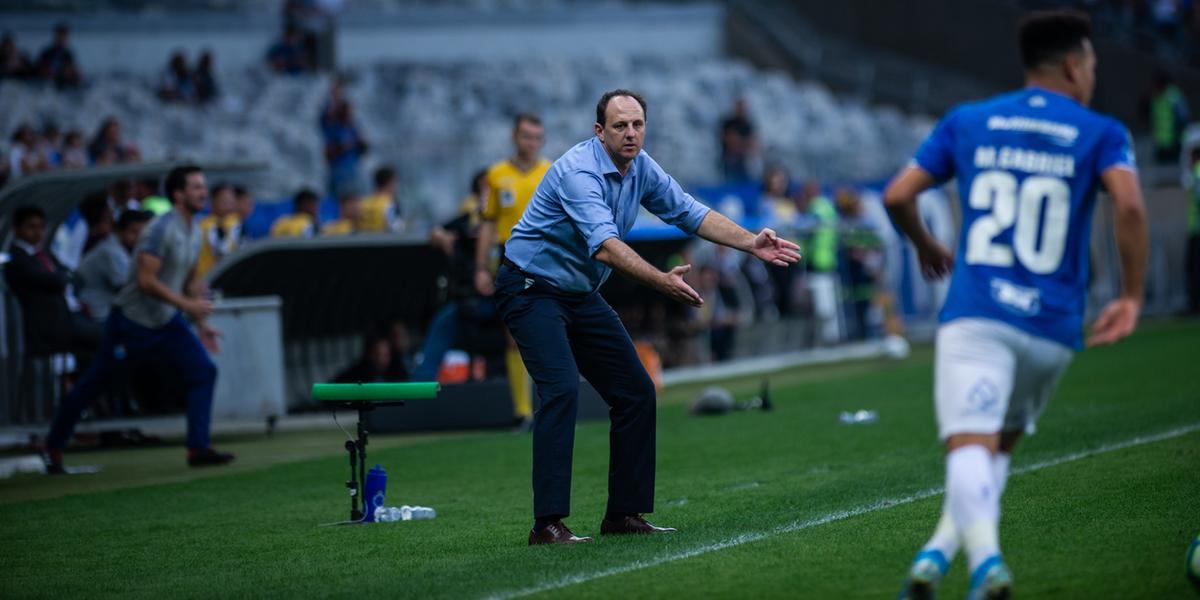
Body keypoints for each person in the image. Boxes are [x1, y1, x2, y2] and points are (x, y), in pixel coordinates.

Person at [884, 12, 1147, 599]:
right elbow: (1129, 207)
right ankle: (934, 554)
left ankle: (988, 567)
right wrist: (1131, 296)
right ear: (1075, 67)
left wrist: (926, 243)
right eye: (1094, 67)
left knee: (968, 448)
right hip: (1053, 327)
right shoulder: (1102, 130)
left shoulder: (969, 120)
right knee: (995, 449)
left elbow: (899, 195)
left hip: (979, 315)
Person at [497, 89, 800, 545]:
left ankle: (623, 514)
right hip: (530, 288)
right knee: (560, 389)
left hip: (578, 292)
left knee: (636, 391)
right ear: (599, 132)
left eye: (637, 124)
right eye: (620, 125)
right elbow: (604, 246)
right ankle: (547, 525)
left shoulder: (641, 166)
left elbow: (689, 211)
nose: (631, 133)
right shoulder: (579, 172)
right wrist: (660, 280)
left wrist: (750, 242)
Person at [44, 165, 235, 472]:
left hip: (166, 320)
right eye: (197, 187)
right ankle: (53, 448)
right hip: (131, 322)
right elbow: (146, 281)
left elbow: (187, 282)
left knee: (203, 372)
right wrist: (187, 304)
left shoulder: (195, 232)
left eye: (204, 186)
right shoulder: (160, 229)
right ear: (178, 194)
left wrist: (202, 323)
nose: (204, 192)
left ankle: (198, 449)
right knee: (94, 384)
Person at [475, 113, 552, 431]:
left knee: (550, 331)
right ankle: (523, 412)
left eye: (536, 137)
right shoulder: (495, 175)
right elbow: (487, 223)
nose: (531, 143)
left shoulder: (551, 171)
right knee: (514, 335)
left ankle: (551, 405)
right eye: (526, 136)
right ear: (514, 137)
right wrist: (480, 267)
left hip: (547, 255)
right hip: (510, 257)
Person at [78, 209, 152, 323]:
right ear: (120, 231)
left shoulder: (122, 248)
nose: (139, 237)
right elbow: (130, 290)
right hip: (97, 313)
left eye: (143, 233)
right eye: (134, 232)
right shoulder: (112, 252)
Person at [322, 101, 368, 196]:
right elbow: (327, 153)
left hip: (353, 172)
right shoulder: (334, 129)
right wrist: (343, 147)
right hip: (338, 174)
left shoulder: (354, 129)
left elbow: (364, 150)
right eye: (347, 113)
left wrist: (362, 144)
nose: (350, 116)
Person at [195, 183, 240, 277]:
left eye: (231, 199)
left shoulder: (234, 222)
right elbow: (223, 251)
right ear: (213, 201)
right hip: (208, 278)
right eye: (224, 199)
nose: (229, 203)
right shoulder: (206, 225)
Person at [719, 98, 757, 183]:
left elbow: (751, 142)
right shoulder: (729, 123)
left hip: (743, 159)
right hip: (728, 158)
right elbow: (725, 138)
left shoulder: (747, 124)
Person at [36, 23, 80, 88]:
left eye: (64, 38)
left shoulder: (68, 54)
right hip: (47, 81)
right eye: (60, 37)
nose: (62, 40)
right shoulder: (47, 53)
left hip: (62, 80)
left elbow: (71, 69)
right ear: (55, 37)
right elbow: (40, 70)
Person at [359, 167, 401, 233]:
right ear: (390, 183)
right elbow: (396, 230)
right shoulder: (389, 205)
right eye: (395, 183)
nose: (396, 187)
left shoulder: (363, 203)